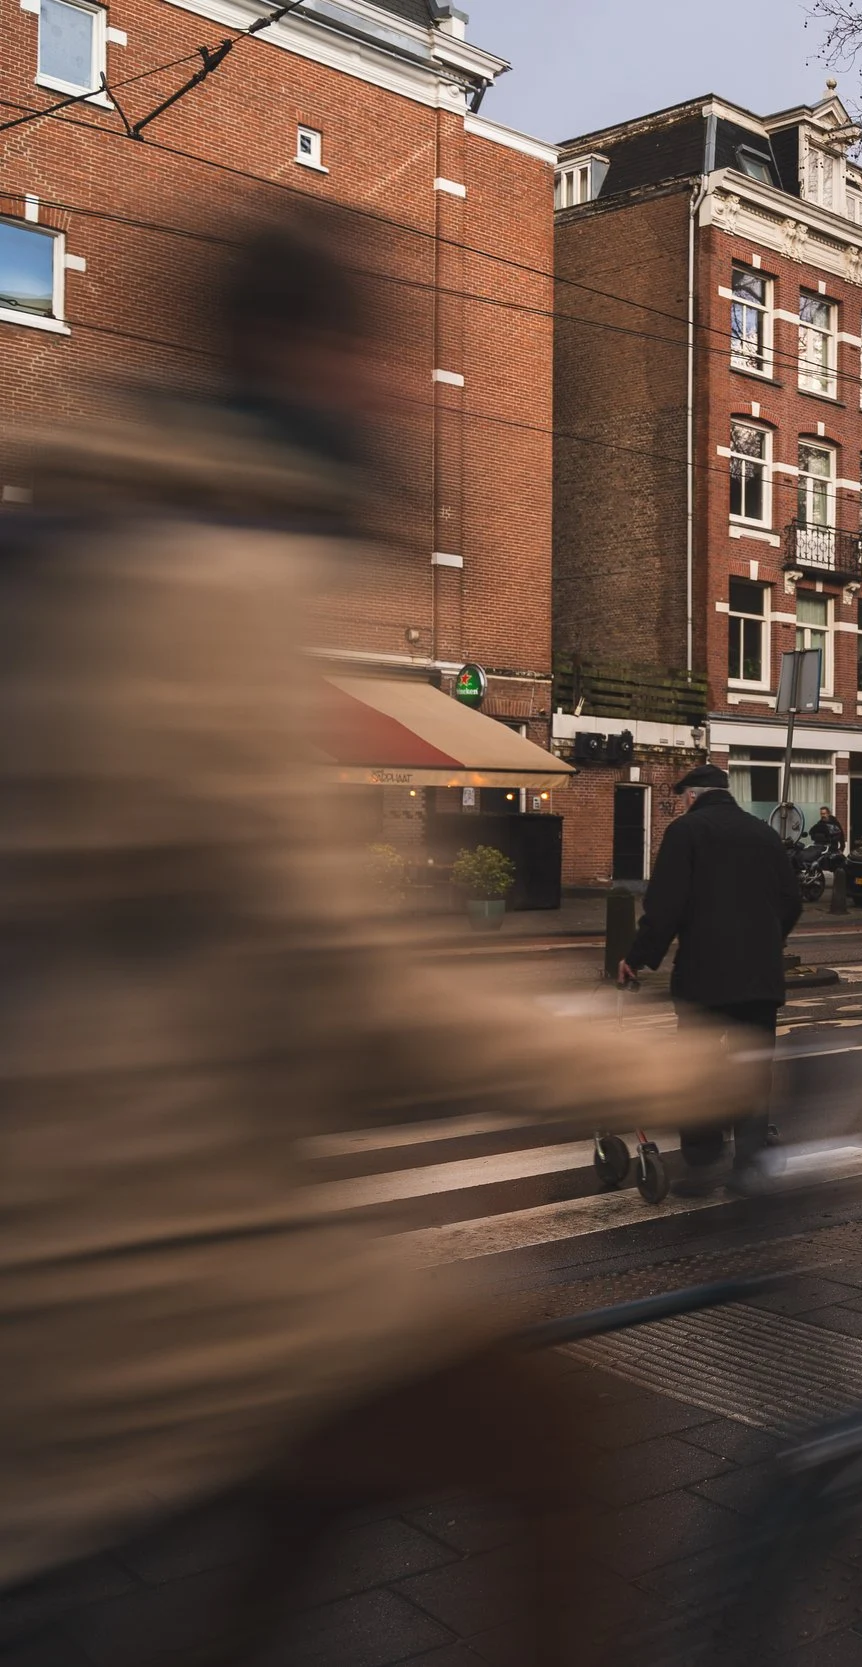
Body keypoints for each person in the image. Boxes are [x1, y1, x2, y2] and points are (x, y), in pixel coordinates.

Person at [0, 212, 727, 1666]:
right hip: (123, 1262)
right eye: (381, 358)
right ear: (314, 356)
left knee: (315, 1488)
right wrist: (686, 1073)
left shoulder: (85, 549)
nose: (404, 393)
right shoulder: (209, 586)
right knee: (556, 1438)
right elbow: (357, 988)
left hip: (104, 1213)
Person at [622, 764, 804, 1191]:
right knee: (753, 1070)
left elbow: (665, 906)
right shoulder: (763, 834)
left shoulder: (686, 833)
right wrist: (767, 939)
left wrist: (637, 958)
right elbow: (791, 900)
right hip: (760, 978)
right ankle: (750, 1165)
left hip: (705, 978)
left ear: (691, 797)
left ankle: (703, 1164)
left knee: (699, 1068)